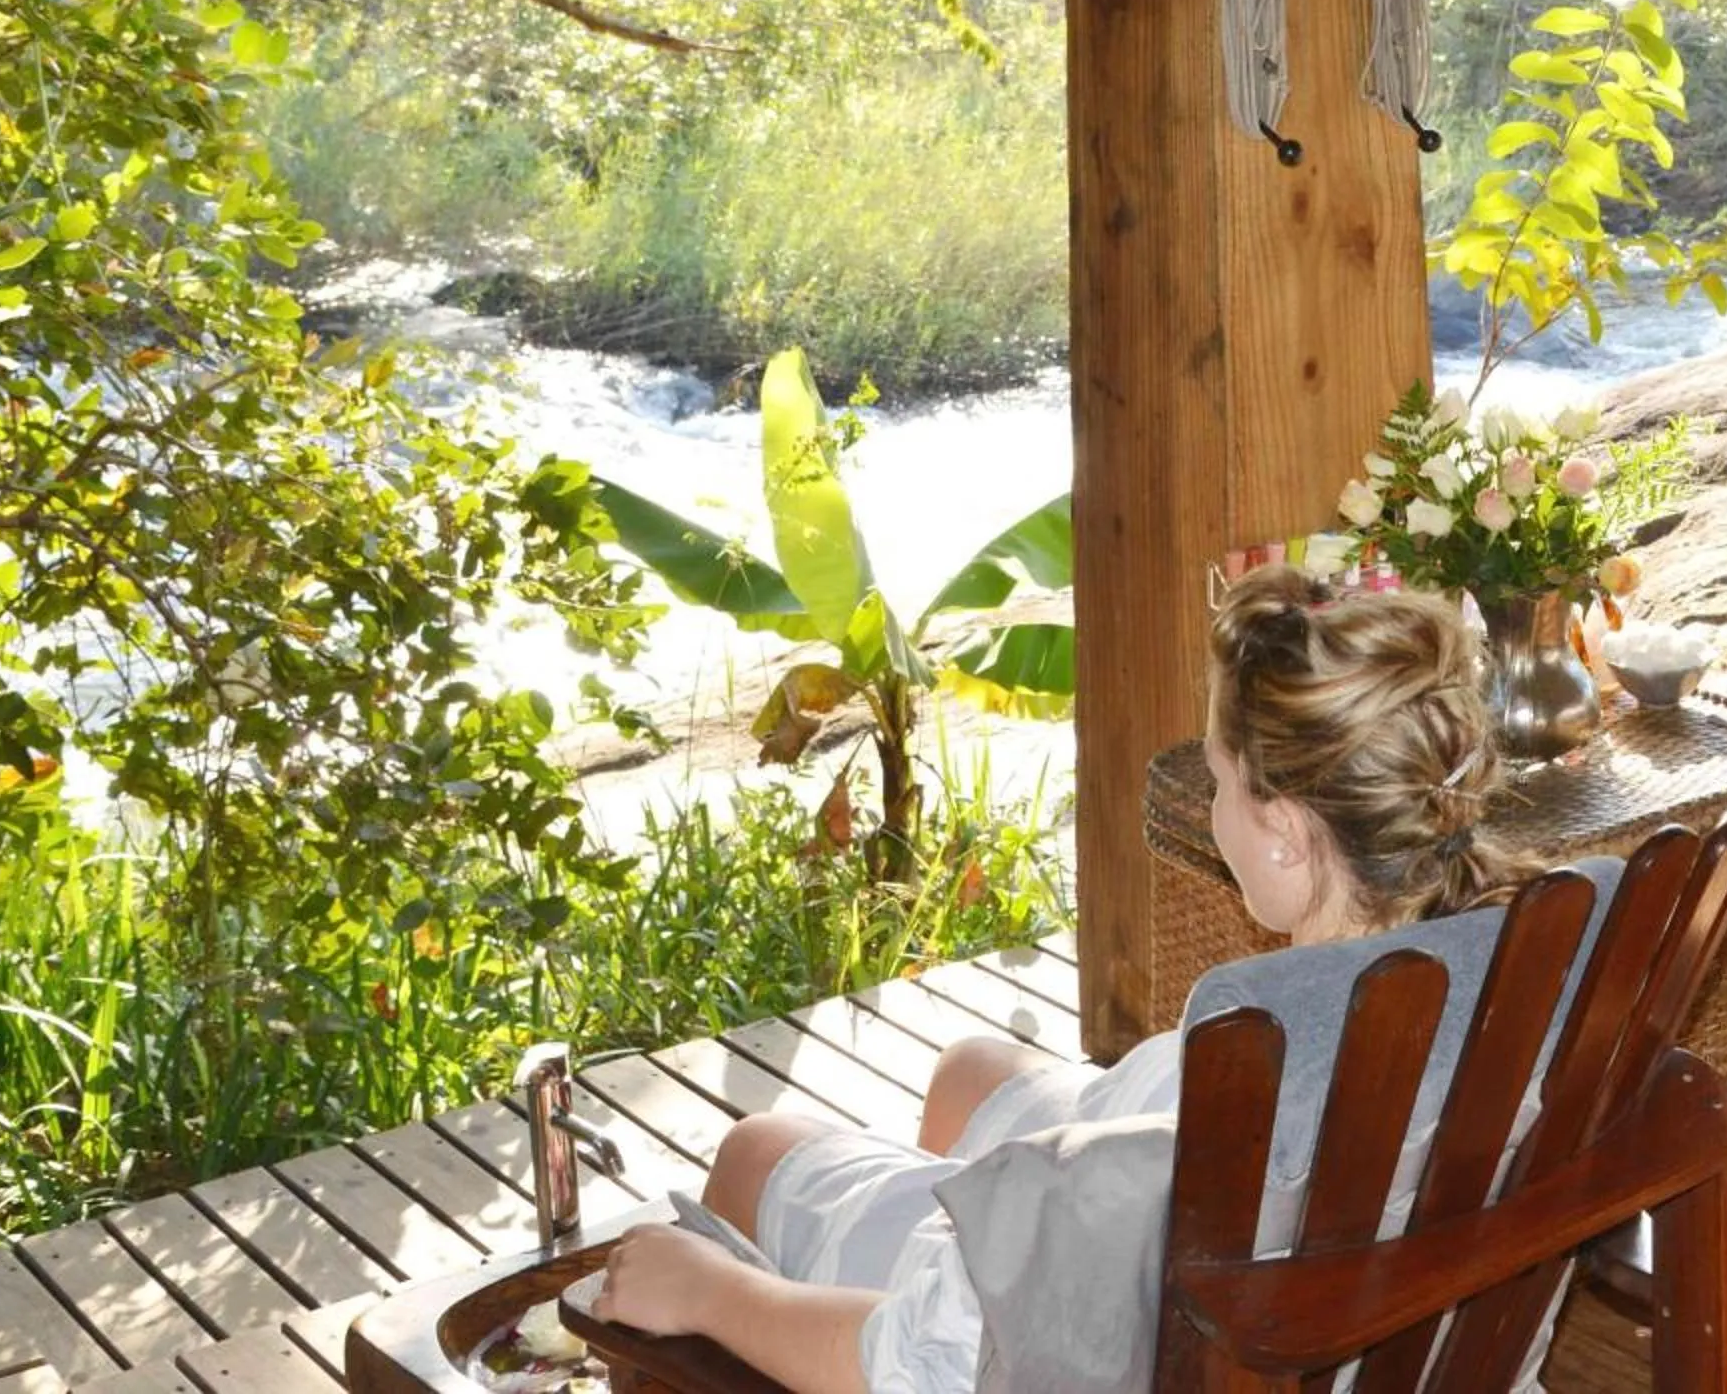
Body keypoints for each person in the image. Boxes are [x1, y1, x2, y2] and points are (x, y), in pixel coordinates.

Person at [591, 565, 1544, 1394]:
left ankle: (924, 1257)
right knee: (971, 1069)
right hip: (1365, 1308)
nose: (1212, 809)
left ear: (1289, 832)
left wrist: (711, 1292)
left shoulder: (1212, 1079)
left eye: (1220, 781)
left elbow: (924, 1368)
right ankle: (948, 1245)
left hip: (1127, 1329)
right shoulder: (1518, 978)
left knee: (762, 1146)